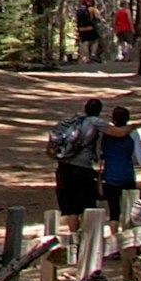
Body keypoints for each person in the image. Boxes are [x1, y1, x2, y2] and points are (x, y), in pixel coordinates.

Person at [46, 96, 106, 271]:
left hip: (64, 167)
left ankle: (74, 241)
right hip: (83, 169)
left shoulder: (72, 121)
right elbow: (116, 133)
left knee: (71, 207)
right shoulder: (96, 123)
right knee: (86, 205)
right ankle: (86, 243)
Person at [97, 105, 141, 255]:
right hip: (127, 175)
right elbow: (140, 156)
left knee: (113, 210)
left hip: (110, 176)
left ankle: (114, 243)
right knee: (130, 209)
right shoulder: (133, 134)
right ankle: (129, 241)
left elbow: (100, 155)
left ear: (113, 119)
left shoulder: (106, 135)